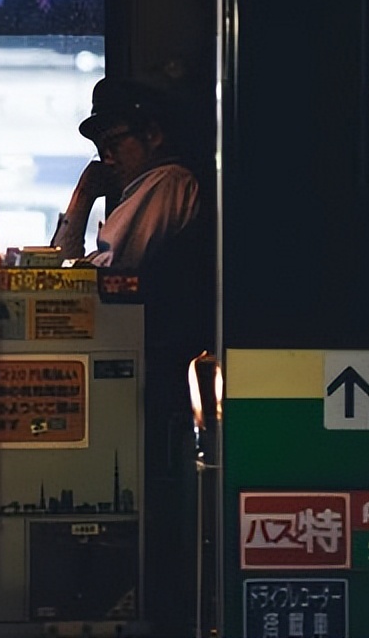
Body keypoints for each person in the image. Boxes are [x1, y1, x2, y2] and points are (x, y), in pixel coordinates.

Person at [53, 76, 210, 638]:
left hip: (161, 374)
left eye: (116, 140)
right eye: (99, 146)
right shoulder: (146, 186)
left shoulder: (165, 182)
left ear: (153, 132)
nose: (107, 155)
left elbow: (90, 279)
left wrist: (82, 196)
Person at [51, 76, 200, 272]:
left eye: (114, 144)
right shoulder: (138, 190)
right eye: (101, 150)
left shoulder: (167, 180)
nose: (107, 159)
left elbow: (108, 271)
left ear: (152, 135)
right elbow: (61, 269)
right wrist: (83, 197)